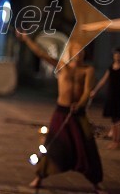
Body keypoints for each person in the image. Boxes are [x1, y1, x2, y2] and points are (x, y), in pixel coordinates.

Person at [16, 32, 106, 194]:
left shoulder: (87, 70)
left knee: (87, 147)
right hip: (61, 111)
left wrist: (79, 105)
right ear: (71, 53)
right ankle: (39, 176)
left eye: (82, 52)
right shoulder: (62, 66)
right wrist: (26, 39)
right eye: (76, 52)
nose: (79, 56)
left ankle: (96, 184)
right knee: (52, 145)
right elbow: (40, 53)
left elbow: (87, 91)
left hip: (78, 114)